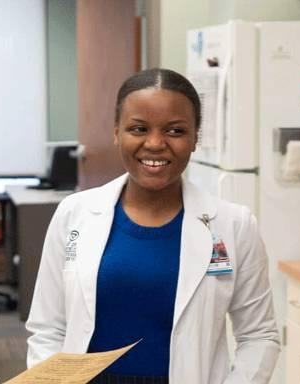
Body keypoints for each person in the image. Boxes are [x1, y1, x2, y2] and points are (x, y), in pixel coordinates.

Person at [26, 68, 281, 383]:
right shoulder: (74, 213)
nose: (156, 143)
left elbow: (259, 335)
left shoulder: (234, 224)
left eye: (175, 131)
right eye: (138, 128)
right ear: (117, 132)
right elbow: (48, 328)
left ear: (196, 137)